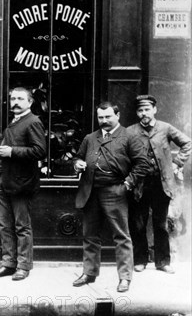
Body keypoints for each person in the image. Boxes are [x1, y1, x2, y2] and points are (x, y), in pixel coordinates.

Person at [72, 101, 149, 293]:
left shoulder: (129, 136)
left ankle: (124, 278)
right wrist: (78, 163)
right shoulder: (90, 138)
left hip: (115, 190)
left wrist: (127, 185)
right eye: (100, 117)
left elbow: (142, 164)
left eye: (108, 117)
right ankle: (89, 273)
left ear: (117, 116)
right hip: (90, 191)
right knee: (90, 235)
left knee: (121, 236)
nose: (104, 121)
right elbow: (78, 157)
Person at [0, 87, 46, 281]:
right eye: (12, 99)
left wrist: (12, 152)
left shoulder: (33, 121)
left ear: (30, 102)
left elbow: (39, 151)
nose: (15, 102)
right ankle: (8, 263)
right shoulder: (15, 121)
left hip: (20, 182)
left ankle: (23, 265)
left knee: (21, 226)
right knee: (4, 224)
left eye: (20, 99)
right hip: (2, 179)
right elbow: (10, 142)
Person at [127, 94, 191, 274]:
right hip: (140, 184)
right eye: (140, 110)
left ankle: (162, 261)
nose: (143, 113)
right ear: (137, 113)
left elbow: (187, 143)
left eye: (147, 109)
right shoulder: (130, 131)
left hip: (162, 184)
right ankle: (140, 260)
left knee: (161, 224)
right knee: (138, 224)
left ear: (154, 110)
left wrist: (177, 163)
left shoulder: (165, 128)